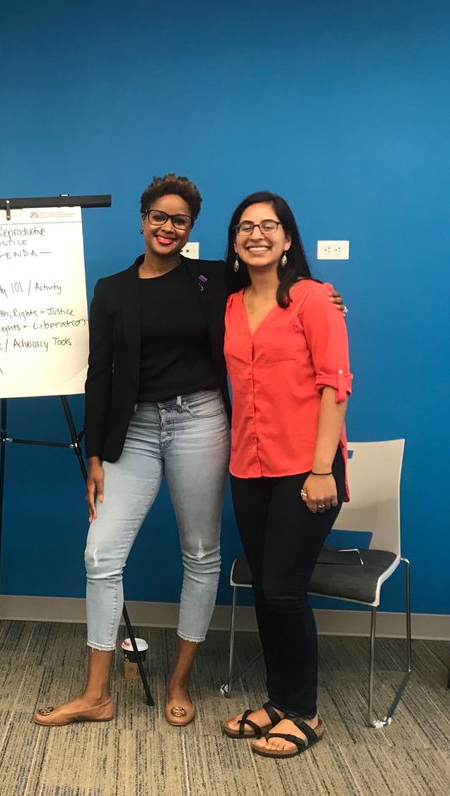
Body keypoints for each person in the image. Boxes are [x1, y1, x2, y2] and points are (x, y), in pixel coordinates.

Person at [34, 174, 232, 727]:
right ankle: (97, 695)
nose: (168, 227)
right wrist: (94, 456)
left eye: (179, 220)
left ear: (190, 228)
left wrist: (320, 295)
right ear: (143, 220)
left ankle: (179, 680)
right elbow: (99, 375)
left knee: (200, 553)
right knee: (100, 555)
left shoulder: (212, 278)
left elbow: (275, 281)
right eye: (159, 216)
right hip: (135, 430)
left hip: (200, 420)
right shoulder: (113, 290)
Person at [221, 192, 351, 759]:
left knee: (283, 589)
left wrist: (323, 469)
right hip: (248, 467)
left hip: (307, 468)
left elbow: (335, 386)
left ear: (288, 238)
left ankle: (305, 713)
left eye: (268, 225)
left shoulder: (313, 298)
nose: (256, 234)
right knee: (264, 590)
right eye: (245, 227)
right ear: (234, 241)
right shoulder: (228, 304)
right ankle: (279, 701)